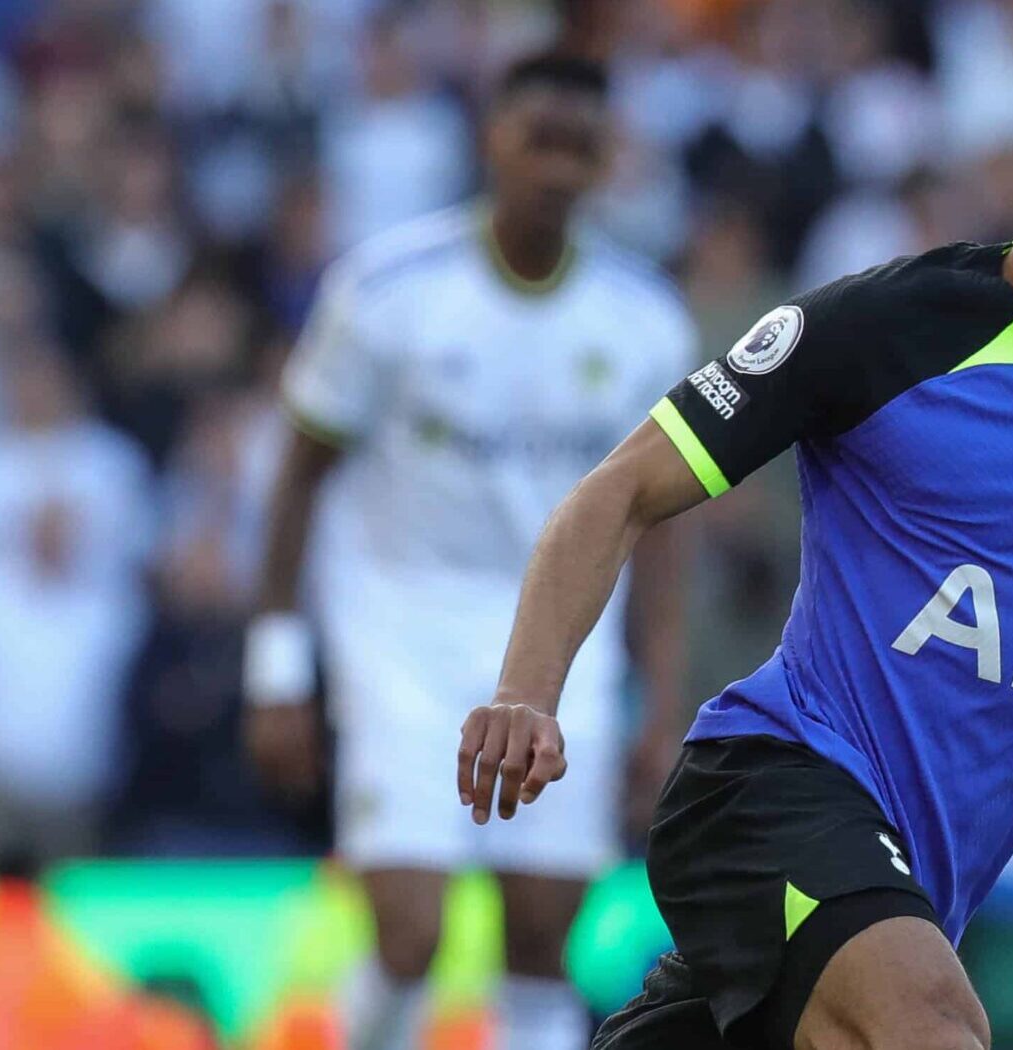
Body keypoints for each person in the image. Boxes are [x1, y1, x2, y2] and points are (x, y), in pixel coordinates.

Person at [467, 33, 1013, 1050]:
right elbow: (615, 493)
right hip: (772, 787)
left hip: (920, 878)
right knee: (932, 1030)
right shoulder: (889, 329)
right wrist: (527, 691)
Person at [241, 55, 696, 1050]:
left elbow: (662, 529)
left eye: (579, 145)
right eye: (539, 136)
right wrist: (277, 666)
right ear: (491, 138)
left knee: (542, 934)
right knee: (409, 933)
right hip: (401, 622)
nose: (556, 164)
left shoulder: (643, 321)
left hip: (562, 636)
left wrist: (660, 700)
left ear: (605, 159)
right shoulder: (386, 290)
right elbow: (297, 476)